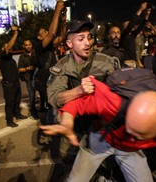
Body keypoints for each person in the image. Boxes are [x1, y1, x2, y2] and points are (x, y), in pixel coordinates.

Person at [41, 76, 156, 182]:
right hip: (101, 139)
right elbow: (76, 103)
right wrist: (66, 123)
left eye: (139, 135)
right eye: (130, 128)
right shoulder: (113, 101)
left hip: (131, 152)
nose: (130, 137)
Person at [46, 20, 119, 170]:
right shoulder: (62, 67)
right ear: (69, 44)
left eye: (89, 37)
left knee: (107, 164)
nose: (87, 43)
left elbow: (121, 89)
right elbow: (54, 98)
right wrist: (79, 90)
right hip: (74, 124)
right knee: (67, 160)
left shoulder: (105, 62)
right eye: (81, 39)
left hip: (100, 125)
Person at [33, 0, 67, 113]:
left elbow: (62, 36)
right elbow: (52, 34)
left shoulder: (50, 45)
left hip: (53, 77)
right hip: (45, 80)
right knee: (49, 107)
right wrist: (56, 11)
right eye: (44, 32)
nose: (47, 32)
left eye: (46, 31)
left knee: (54, 105)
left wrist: (63, 20)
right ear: (39, 37)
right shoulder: (38, 46)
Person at [0, 25, 28, 128]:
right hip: (8, 85)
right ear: (3, 49)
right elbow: (9, 46)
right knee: (10, 103)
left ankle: (17, 114)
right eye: (7, 48)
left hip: (15, 84)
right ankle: (9, 121)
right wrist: (15, 33)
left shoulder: (10, 59)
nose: (10, 49)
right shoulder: (2, 56)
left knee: (16, 101)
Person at [120, 2, 150, 68]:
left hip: (133, 62)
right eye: (127, 25)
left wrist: (147, 15)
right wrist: (140, 9)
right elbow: (131, 24)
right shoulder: (124, 35)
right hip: (126, 62)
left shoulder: (132, 35)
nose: (131, 25)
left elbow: (141, 26)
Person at [18, 39, 39, 120]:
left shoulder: (35, 53)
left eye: (29, 44)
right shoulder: (22, 56)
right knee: (32, 95)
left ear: (32, 45)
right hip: (29, 79)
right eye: (26, 45)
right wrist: (28, 68)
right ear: (24, 46)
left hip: (38, 78)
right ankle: (33, 112)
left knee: (42, 94)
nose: (28, 46)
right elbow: (19, 69)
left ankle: (43, 110)